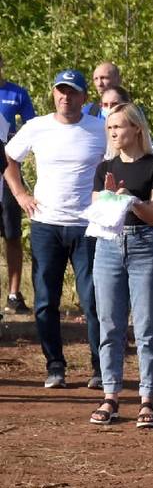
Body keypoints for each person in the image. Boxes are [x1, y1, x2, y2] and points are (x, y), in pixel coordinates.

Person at [3, 69, 107, 389]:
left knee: (93, 300)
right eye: (61, 91)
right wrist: (20, 194)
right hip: (46, 224)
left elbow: (122, 162)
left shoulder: (101, 129)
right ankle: (55, 366)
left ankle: (99, 368)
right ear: (53, 94)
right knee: (46, 300)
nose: (66, 96)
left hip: (87, 226)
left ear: (84, 98)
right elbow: (8, 157)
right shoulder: (37, 127)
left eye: (73, 91)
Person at [89, 103, 153, 428]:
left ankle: (148, 399)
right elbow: (97, 210)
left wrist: (130, 200)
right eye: (110, 128)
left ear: (136, 128)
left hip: (144, 246)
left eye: (119, 127)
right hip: (108, 246)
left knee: (147, 327)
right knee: (109, 325)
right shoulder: (104, 167)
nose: (113, 133)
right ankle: (110, 396)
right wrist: (110, 197)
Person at [0, 51, 38, 314]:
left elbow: (32, 128)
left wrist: (15, 135)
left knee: (11, 234)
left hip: (7, 172)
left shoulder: (17, 94)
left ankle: (14, 294)